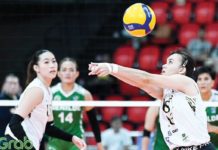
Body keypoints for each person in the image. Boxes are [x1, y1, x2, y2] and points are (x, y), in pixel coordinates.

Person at [88, 49, 216, 150]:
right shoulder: (166, 91)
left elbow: (147, 78)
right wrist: (112, 72)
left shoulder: (186, 82)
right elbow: (140, 83)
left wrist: (112, 67)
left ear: (182, 69)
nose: (164, 65)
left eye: (170, 62)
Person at [1, 50, 86, 150]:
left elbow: (48, 127)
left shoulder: (48, 91)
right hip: (15, 144)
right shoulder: (37, 90)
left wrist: (72, 138)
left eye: (54, 61)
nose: (52, 65)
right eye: (46, 62)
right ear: (36, 68)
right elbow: (14, 125)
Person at [47, 57, 103, 150]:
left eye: (71, 70)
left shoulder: (84, 94)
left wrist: (99, 143)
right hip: (55, 141)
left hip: (76, 140)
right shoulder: (50, 93)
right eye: (64, 70)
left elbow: (93, 121)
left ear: (77, 74)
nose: (68, 73)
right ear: (58, 73)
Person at [193, 66, 218, 149]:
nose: (202, 82)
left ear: (213, 82)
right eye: (199, 79)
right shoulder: (190, 100)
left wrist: (212, 128)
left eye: (206, 79)